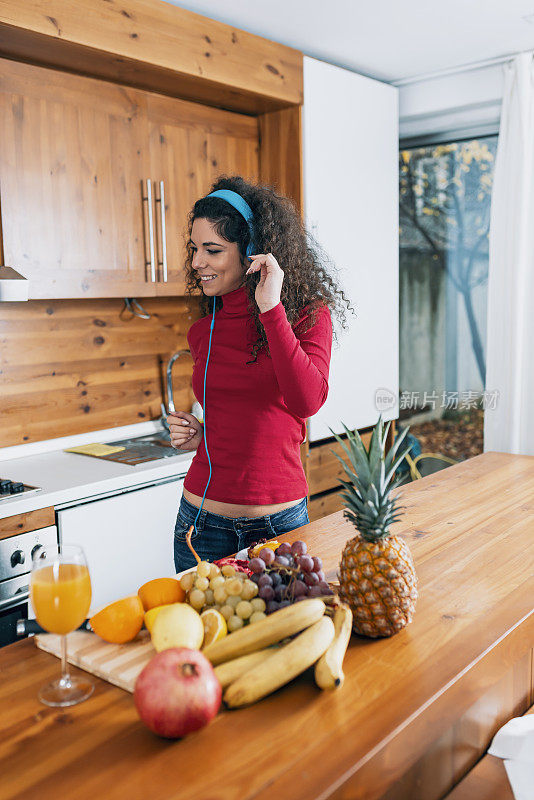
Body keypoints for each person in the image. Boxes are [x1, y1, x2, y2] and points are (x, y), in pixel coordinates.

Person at [169, 175, 353, 572]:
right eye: (195, 249)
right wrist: (202, 433)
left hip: (278, 526)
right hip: (201, 524)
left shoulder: (307, 317)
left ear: (252, 252)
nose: (197, 262)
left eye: (212, 250)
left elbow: (308, 399)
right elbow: (238, 412)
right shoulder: (204, 329)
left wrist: (271, 309)